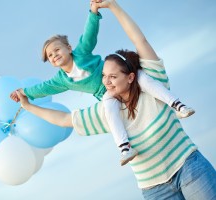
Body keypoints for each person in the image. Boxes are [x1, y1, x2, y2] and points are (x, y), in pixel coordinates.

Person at [15, 0, 216, 198]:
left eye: (112, 75)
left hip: (189, 166)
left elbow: (99, 36)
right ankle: (124, 148)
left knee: (144, 79)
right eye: (49, 55)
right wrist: (26, 98)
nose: (107, 80)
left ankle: (178, 105)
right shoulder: (100, 106)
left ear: (68, 47)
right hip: (155, 189)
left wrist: (100, 10)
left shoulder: (90, 56)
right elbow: (59, 113)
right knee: (109, 105)